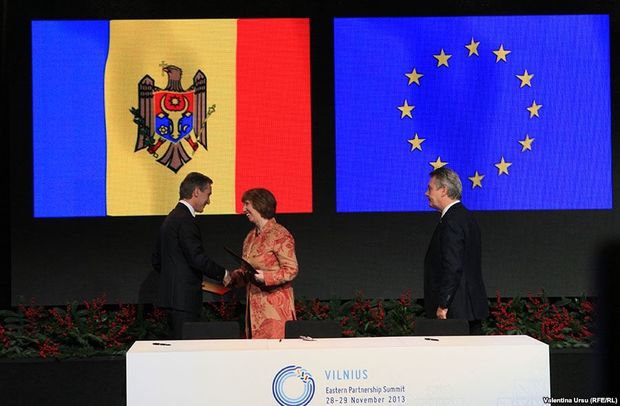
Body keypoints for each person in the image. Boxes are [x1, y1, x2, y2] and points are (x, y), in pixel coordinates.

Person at [152, 172, 228, 340]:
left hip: (173, 299)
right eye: (208, 194)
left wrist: (175, 277)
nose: (209, 201)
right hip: (183, 300)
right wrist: (223, 274)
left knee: (177, 347)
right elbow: (197, 258)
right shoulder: (185, 220)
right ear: (196, 192)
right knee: (184, 349)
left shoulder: (172, 217)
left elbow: (156, 260)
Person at [225, 188, 298, 339]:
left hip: (274, 308)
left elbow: (291, 270)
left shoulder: (280, 234)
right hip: (254, 307)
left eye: (247, 204)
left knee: (274, 350)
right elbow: (247, 271)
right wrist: (233, 277)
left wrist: (266, 277)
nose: (243, 209)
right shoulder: (250, 237)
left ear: (260, 205)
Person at [423, 167, 489, 334]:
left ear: (443, 190)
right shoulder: (466, 217)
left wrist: (443, 304)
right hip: (468, 308)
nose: (426, 193)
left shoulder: (451, 221)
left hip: (455, 311)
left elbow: (453, 265)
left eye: (430, 188)